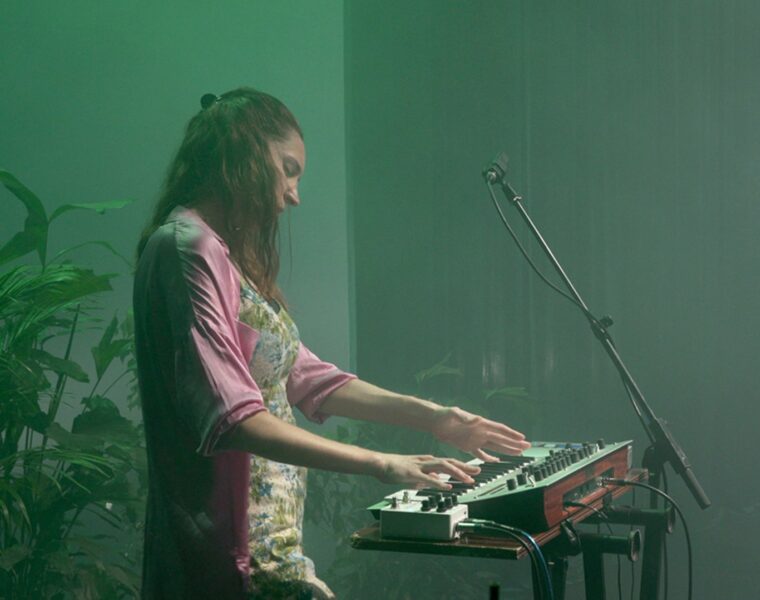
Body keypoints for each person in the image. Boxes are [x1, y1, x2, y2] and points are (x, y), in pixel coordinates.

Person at [133, 88, 531, 599]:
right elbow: (232, 417)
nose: (294, 194)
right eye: (289, 169)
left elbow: (310, 379)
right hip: (230, 558)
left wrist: (436, 418)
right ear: (246, 151)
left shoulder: (221, 255)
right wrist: (382, 464)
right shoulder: (186, 249)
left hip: (271, 550)